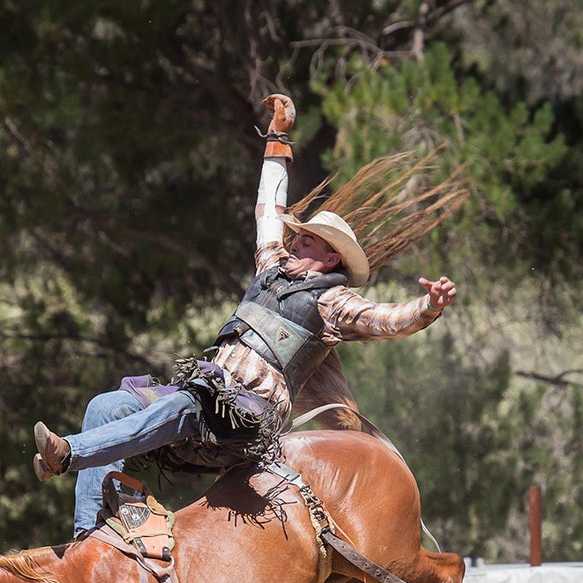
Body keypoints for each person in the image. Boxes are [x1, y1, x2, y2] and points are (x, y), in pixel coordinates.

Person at [33, 93, 458, 538]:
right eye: (298, 237)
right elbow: (268, 212)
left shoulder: (334, 302)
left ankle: (68, 454)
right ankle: (88, 536)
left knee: (182, 406)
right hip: (203, 394)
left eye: (308, 242)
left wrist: (430, 305)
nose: (296, 242)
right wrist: (277, 139)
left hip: (247, 419)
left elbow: (388, 320)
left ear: (332, 260)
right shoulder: (272, 264)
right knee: (106, 405)